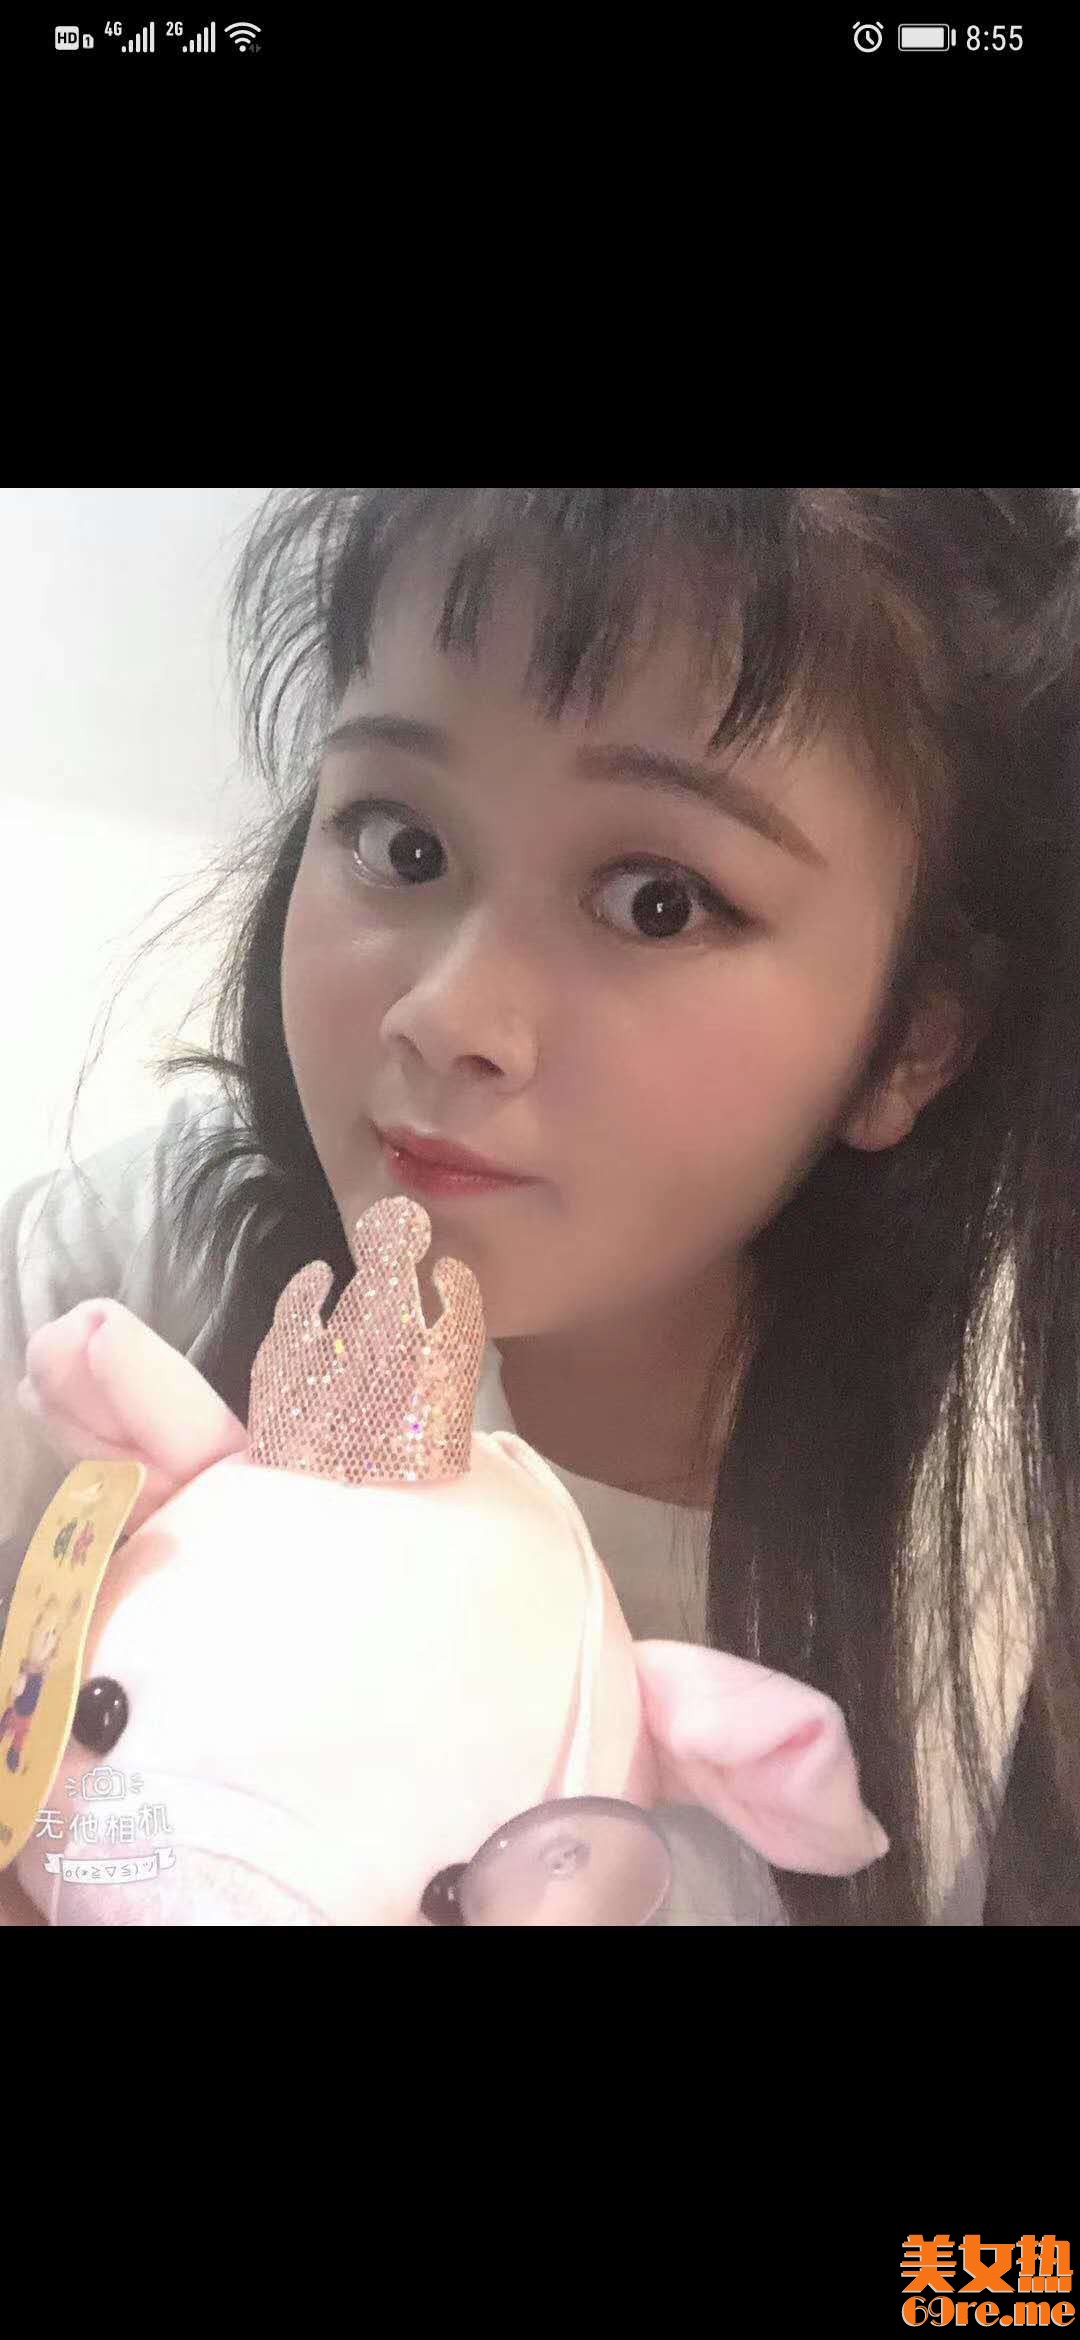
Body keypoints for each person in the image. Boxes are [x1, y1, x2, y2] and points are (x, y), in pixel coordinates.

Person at [4, 486, 1079, 1926]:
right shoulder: (128, 1280)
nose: (448, 1016)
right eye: (401, 842)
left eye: (656, 901)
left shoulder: (1003, 1561)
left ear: (916, 1041)